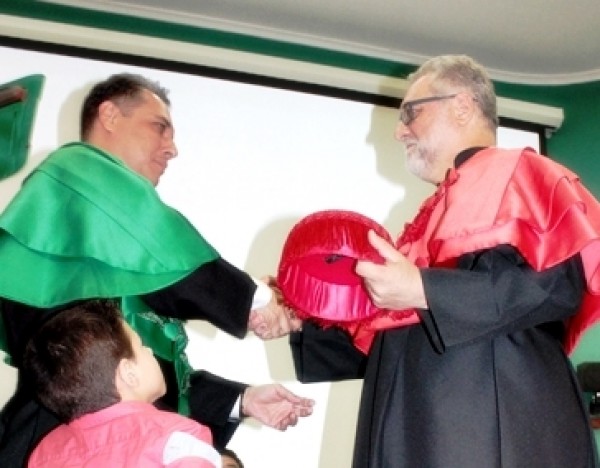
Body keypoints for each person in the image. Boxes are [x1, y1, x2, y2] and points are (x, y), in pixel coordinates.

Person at [287, 55, 600, 467]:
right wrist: (305, 320)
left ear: (463, 106)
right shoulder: (433, 212)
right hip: (418, 428)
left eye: (410, 113)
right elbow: (398, 332)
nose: (399, 131)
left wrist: (422, 289)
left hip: (486, 426)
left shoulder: (520, 171)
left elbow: (556, 286)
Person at [0, 73, 312, 466]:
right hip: (49, 440)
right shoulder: (72, 171)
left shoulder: (117, 261)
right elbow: (154, 238)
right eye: (159, 127)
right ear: (110, 116)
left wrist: (242, 399)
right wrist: (255, 301)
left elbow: (128, 382)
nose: (172, 149)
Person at [24, 299, 221, 467]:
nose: (150, 352)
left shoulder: (44, 453)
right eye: (142, 346)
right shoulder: (178, 438)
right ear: (129, 373)